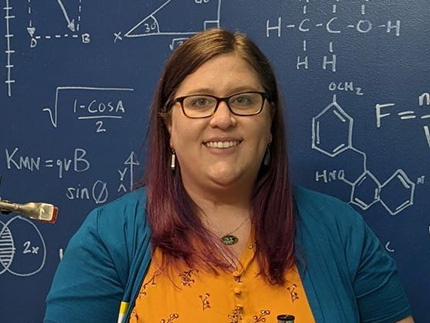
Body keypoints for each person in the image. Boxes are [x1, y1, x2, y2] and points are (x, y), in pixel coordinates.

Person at [44, 28, 414, 323]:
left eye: (243, 99)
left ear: (270, 123)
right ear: (169, 126)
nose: (222, 119)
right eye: (199, 102)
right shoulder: (107, 239)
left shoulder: (342, 230)